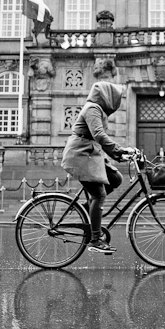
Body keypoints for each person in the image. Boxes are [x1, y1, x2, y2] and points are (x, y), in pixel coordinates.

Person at [61, 60, 133, 254]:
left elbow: (99, 139)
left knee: (116, 178)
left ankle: (87, 209)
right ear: (106, 96)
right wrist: (119, 149)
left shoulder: (97, 110)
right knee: (99, 194)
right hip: (81, 154)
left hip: (91, 153)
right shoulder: (92, 109)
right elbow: (99, 135)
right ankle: (94, 239)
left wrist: (121, 154)